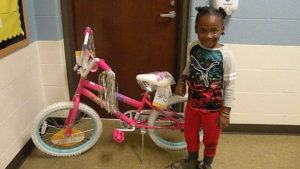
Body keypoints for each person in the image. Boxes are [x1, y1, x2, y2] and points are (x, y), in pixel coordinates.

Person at [171, 6, 236, 169]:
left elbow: (230, 86)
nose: (208, 36)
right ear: (195, 29)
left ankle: (206, 165)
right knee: (190, 136)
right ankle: (192, 162)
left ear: (221, 29)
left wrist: (226, 113)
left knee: (210, 140)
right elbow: (189, 66)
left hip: (213, 111)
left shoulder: (226, 55)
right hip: (192, 106)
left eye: (214, 31)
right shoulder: (194, 47)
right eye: (203, 30)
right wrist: (181, 81)